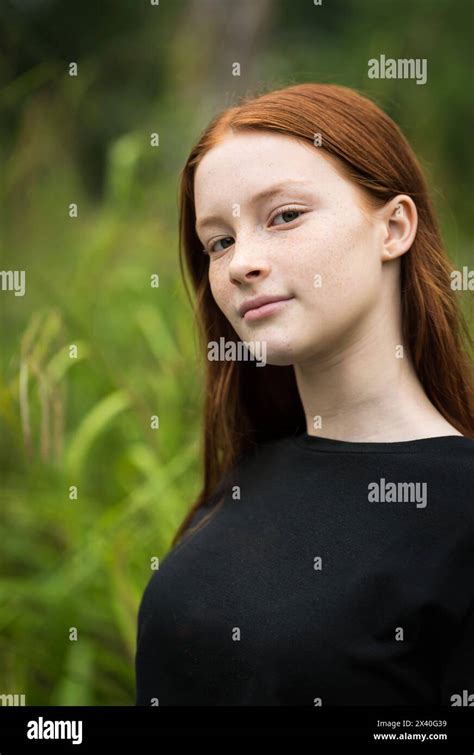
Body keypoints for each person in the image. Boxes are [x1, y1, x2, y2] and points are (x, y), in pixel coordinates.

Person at [135, 83, 474, 706]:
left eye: (284, 216)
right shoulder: (247, 472)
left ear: (394, 227)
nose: (241, 264)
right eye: (219, 240)